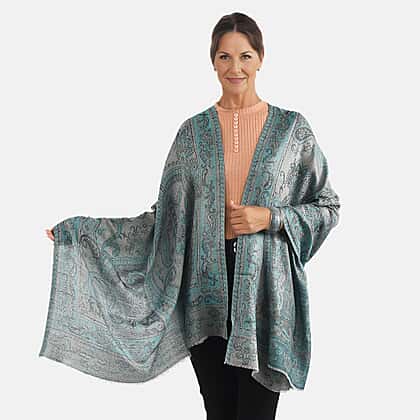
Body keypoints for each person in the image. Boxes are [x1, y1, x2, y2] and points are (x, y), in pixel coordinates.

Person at [44, 12, 340, 420]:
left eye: (245, 56)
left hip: (265, 297)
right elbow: (163, 220)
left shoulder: (292, 131)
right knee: (219, 413)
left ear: (261, 58)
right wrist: (84, 232)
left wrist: (269, 218)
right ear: (213, 61)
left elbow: (326, 206)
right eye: (224, 57)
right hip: (205, 297)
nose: (235, 68)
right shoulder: (192, 135)